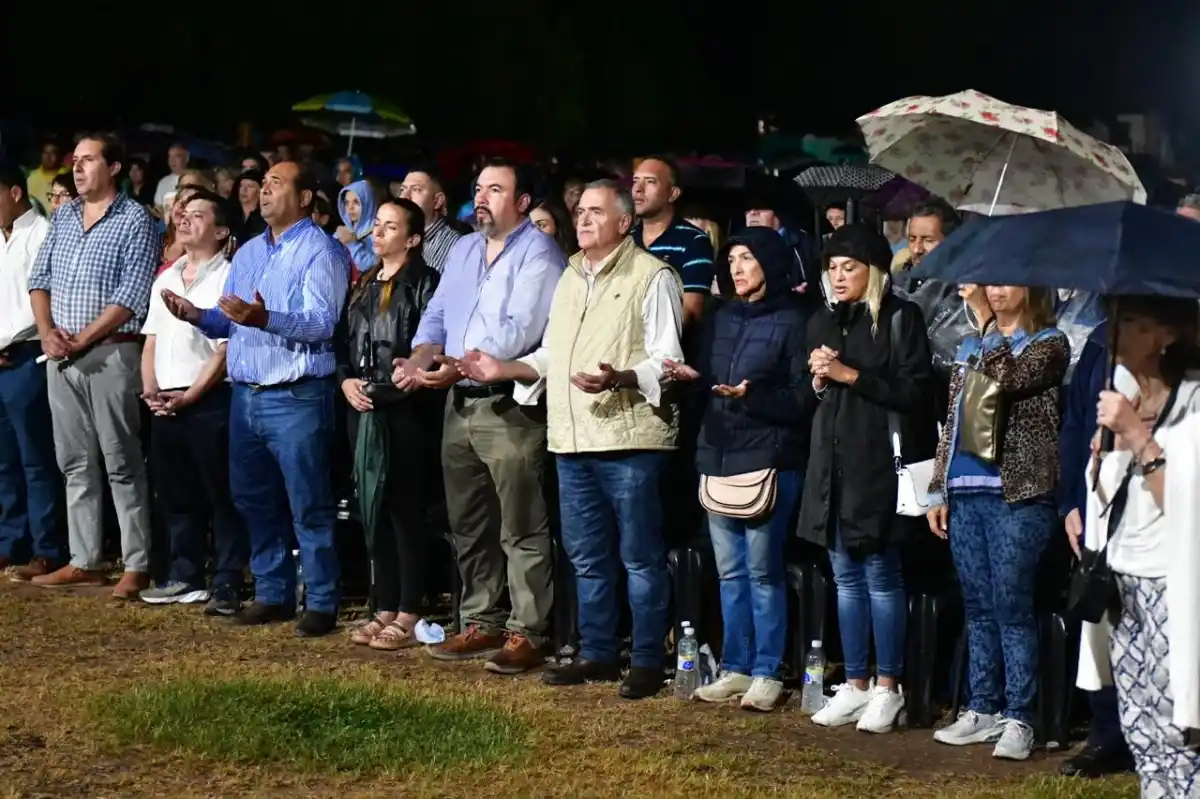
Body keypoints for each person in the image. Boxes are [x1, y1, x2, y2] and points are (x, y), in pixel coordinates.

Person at [455, 179, 683, 698]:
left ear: (624, 224)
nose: (581, 220)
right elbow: (551, 356)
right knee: (586, 557)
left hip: (630, 440)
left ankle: (648, 659)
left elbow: (669, 363)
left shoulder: (653, 276)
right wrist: (502, 367)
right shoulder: (570, 278)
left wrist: (619, 378)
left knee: (640, 558)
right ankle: (599, 652)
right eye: (579, 211)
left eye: (595, 213)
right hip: (573, 438)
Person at [161, 162, 349, 638]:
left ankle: (322, 600)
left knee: (308, 502)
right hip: (246, 396)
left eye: (276, 184)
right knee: (253, 499)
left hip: (297, 396)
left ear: (305, 198)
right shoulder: (245, 253)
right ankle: (272, 592)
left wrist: (265, 318)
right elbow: (233, 320)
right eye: (262, 185)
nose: (264, 192)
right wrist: (199, 316)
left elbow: (322, 324)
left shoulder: (320, 251)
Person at [393, 158, 563, 674]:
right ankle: (480, 620)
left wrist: (456, 365)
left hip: (508, 404)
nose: (482, 197)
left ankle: (528, 630)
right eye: (479, 188)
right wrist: (421, 355)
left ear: (523, 203)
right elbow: (439, 313)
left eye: (496, 189)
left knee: (521, 524)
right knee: (469, 522)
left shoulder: (541, 253)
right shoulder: (465, 248)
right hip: (458, 402)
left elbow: (519, 330)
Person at [798, 225, 937, 733]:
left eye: (848, 267)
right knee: (845, 579)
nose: (837, 276)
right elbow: (806, 400)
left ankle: (888, 687)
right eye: (831, 268)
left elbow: (918, 395)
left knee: (881, 578)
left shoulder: (901, 318)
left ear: (873, 271)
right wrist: (816, 380)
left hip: (879, 467)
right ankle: (855, 683)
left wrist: (849, 375)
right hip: (830, 468)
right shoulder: (822, 321)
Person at [672, 227, 812, 711]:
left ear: (770, 264)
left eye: (747, 258)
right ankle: (736, 665)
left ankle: (768, 671)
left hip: (769, 458)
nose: (735, 267)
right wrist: (692, 380)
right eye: (731, 258)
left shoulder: (796, 319)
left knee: (762, 571)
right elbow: (710, 382)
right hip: (718, 453)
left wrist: (754, 397)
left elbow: (803, 398)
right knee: (729, 573)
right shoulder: (719, 315)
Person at [928, 285, 1069, 761]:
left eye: (1006, 281)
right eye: (990, 282)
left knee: (1013, 605)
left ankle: (1020, 716)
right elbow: (953, 418)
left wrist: (989, 326)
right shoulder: (970, 346)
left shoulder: (1049, 344)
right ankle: (982, 707)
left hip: (1019, 495)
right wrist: (938, 487)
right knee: (979, 605)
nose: (995, 290)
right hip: (967, 492)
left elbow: (1009, 380)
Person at [26, 133, 159, 598]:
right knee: (74, 462)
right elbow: (39, 279)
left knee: (121, 459)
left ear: (115, 167)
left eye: (88, 160)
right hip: (60, 355)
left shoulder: (135, 220)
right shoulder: (62, 217)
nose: (78, 169)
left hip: (110, 354)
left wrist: (82, 338)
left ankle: (137, 563)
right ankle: (85, 559)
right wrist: (47, 331)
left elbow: (131, 294)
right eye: (75, 161)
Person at [1078, 296, 1200, 798]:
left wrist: (1136, 436)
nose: (1116, 333)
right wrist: (1101, 455)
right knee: (1140, 722)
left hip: (1173, 582)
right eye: (1117, 320)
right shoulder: (1122, 389)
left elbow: (1185, 502)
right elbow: (1106, 491)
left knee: (1179, 724)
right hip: (1123, 580)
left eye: (1133, 324)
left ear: (1167, 336)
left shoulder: (1193, 402)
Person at [337, 199, 440, 650]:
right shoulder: (362, 283)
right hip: (361, 408)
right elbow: (343, 343)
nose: (377, 233)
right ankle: (383, 604)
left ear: (413, 238)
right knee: (371, 508)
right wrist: (345, 382)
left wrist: (394, 388)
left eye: (390, 227)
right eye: (376, 225)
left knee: (403, 510)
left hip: (404, 410)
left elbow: (431, 343)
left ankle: (409, 609)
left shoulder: (424, 283)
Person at [138, 189, 247, 615]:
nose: (184, 220)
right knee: (176, 493)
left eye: (197, 215)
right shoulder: (166, 276)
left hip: (208, 398)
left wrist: (190, 396)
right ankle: (184, 575)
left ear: (221, 231)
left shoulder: (229, 276)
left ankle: (226, 581)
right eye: (183, 215)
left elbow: (223, 350)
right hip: (165, 400)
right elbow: (151, 339)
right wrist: (150, 390)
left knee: (220, 493)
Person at [0, 161, 65, 578]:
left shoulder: (41, 233)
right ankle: (11, 542)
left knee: (35, 456)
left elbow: (42, 302)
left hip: (26, 355)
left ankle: (48, 547)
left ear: (15, 193)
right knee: (4, 459)